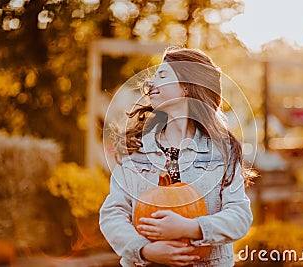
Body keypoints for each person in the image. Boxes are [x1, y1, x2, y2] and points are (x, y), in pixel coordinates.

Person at [100, 47, 255, 267]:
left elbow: (239, 216)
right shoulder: (138, 149)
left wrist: (190, 228)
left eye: (162, 76)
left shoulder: (222, 150)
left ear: (187, 86)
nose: (151, 83)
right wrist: (145, 249)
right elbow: (113, 213)